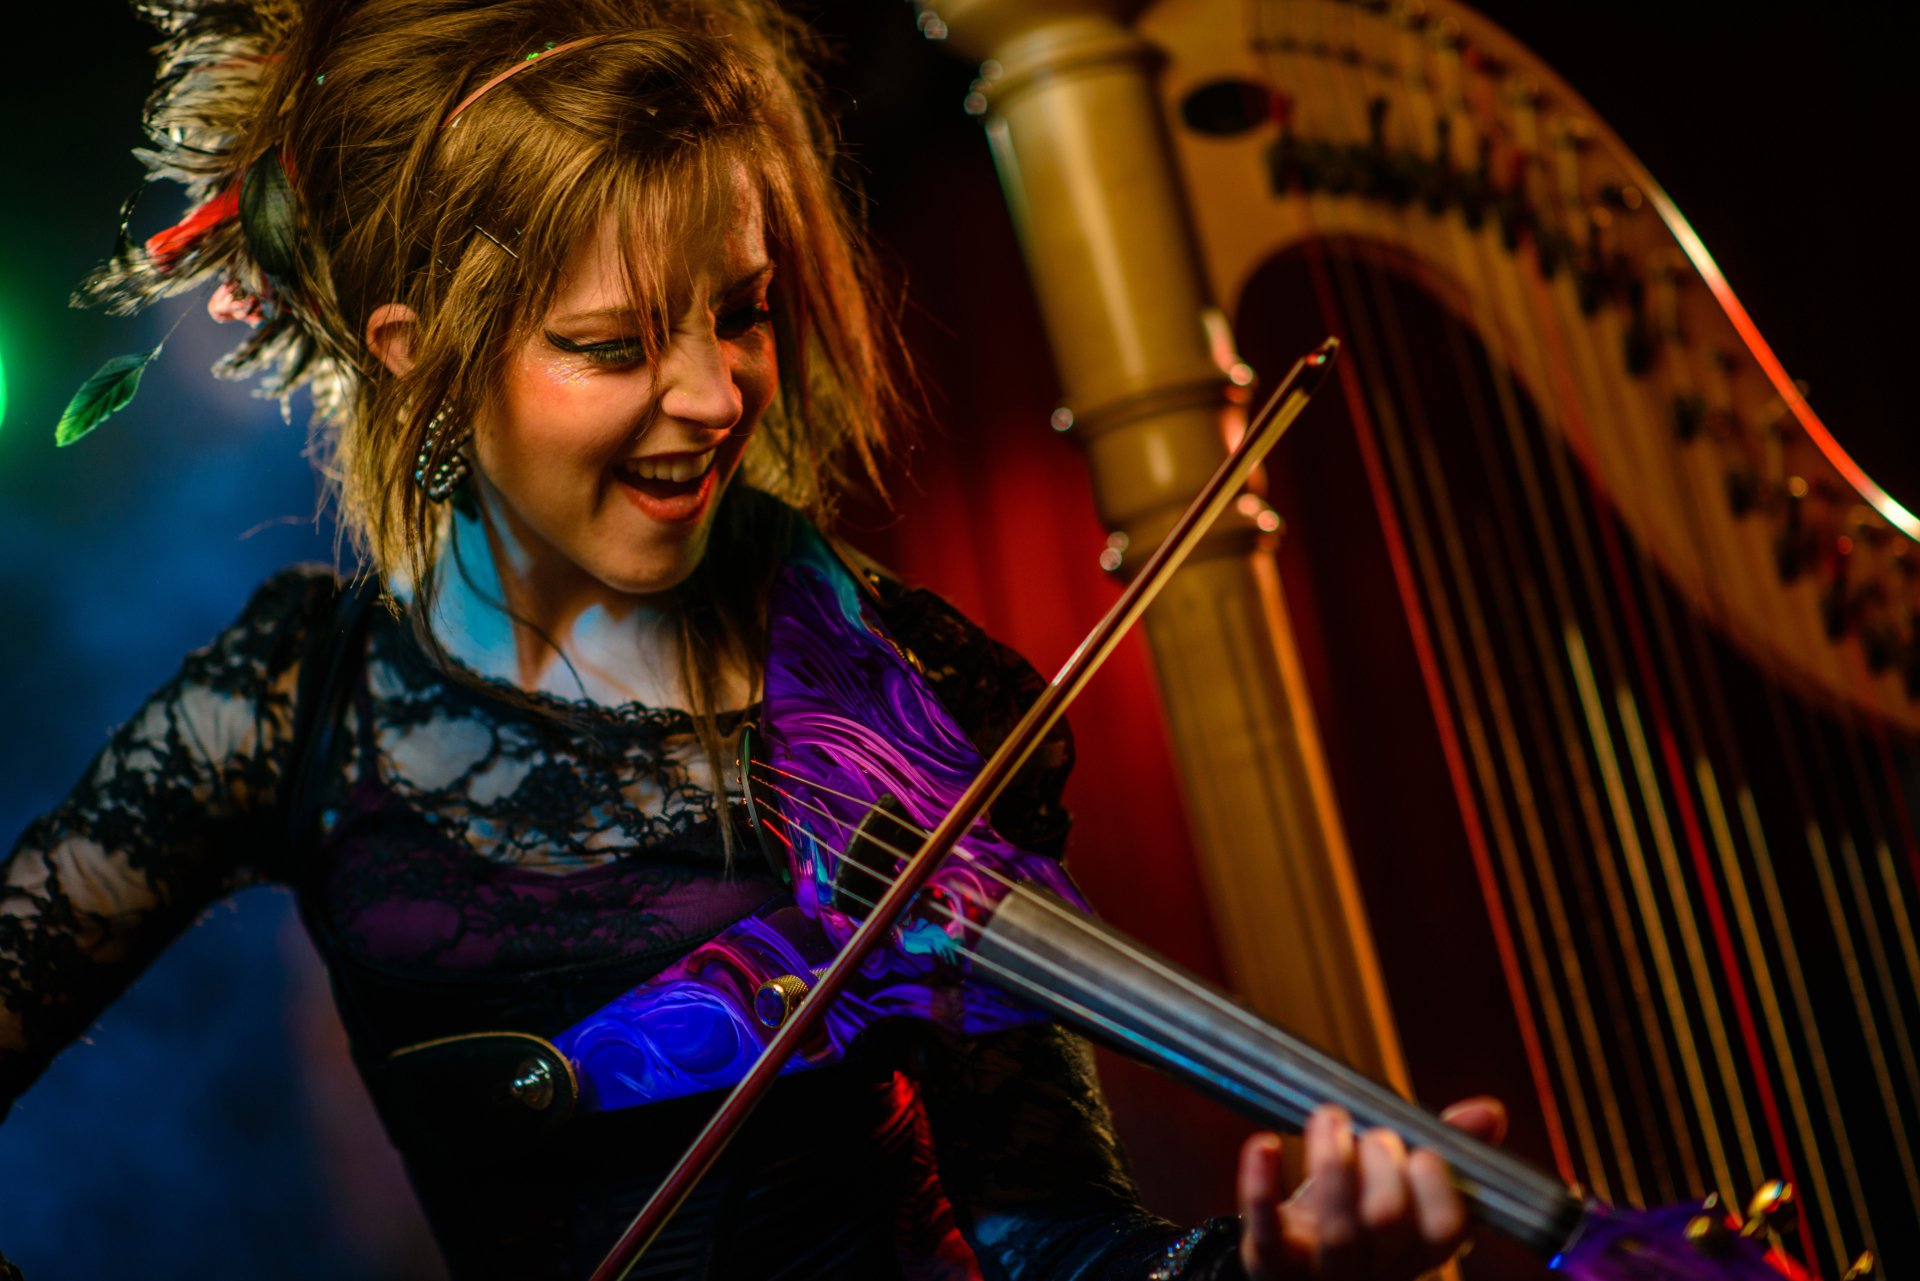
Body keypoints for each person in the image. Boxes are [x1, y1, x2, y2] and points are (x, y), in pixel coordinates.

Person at [0, 1, 1504, 1277]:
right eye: (615, 344)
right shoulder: (295, 699)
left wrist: (1261, 1265)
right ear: (423, 360)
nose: (719, 395)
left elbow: (1049, 1234)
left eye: (743, 313)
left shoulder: (911, 690)